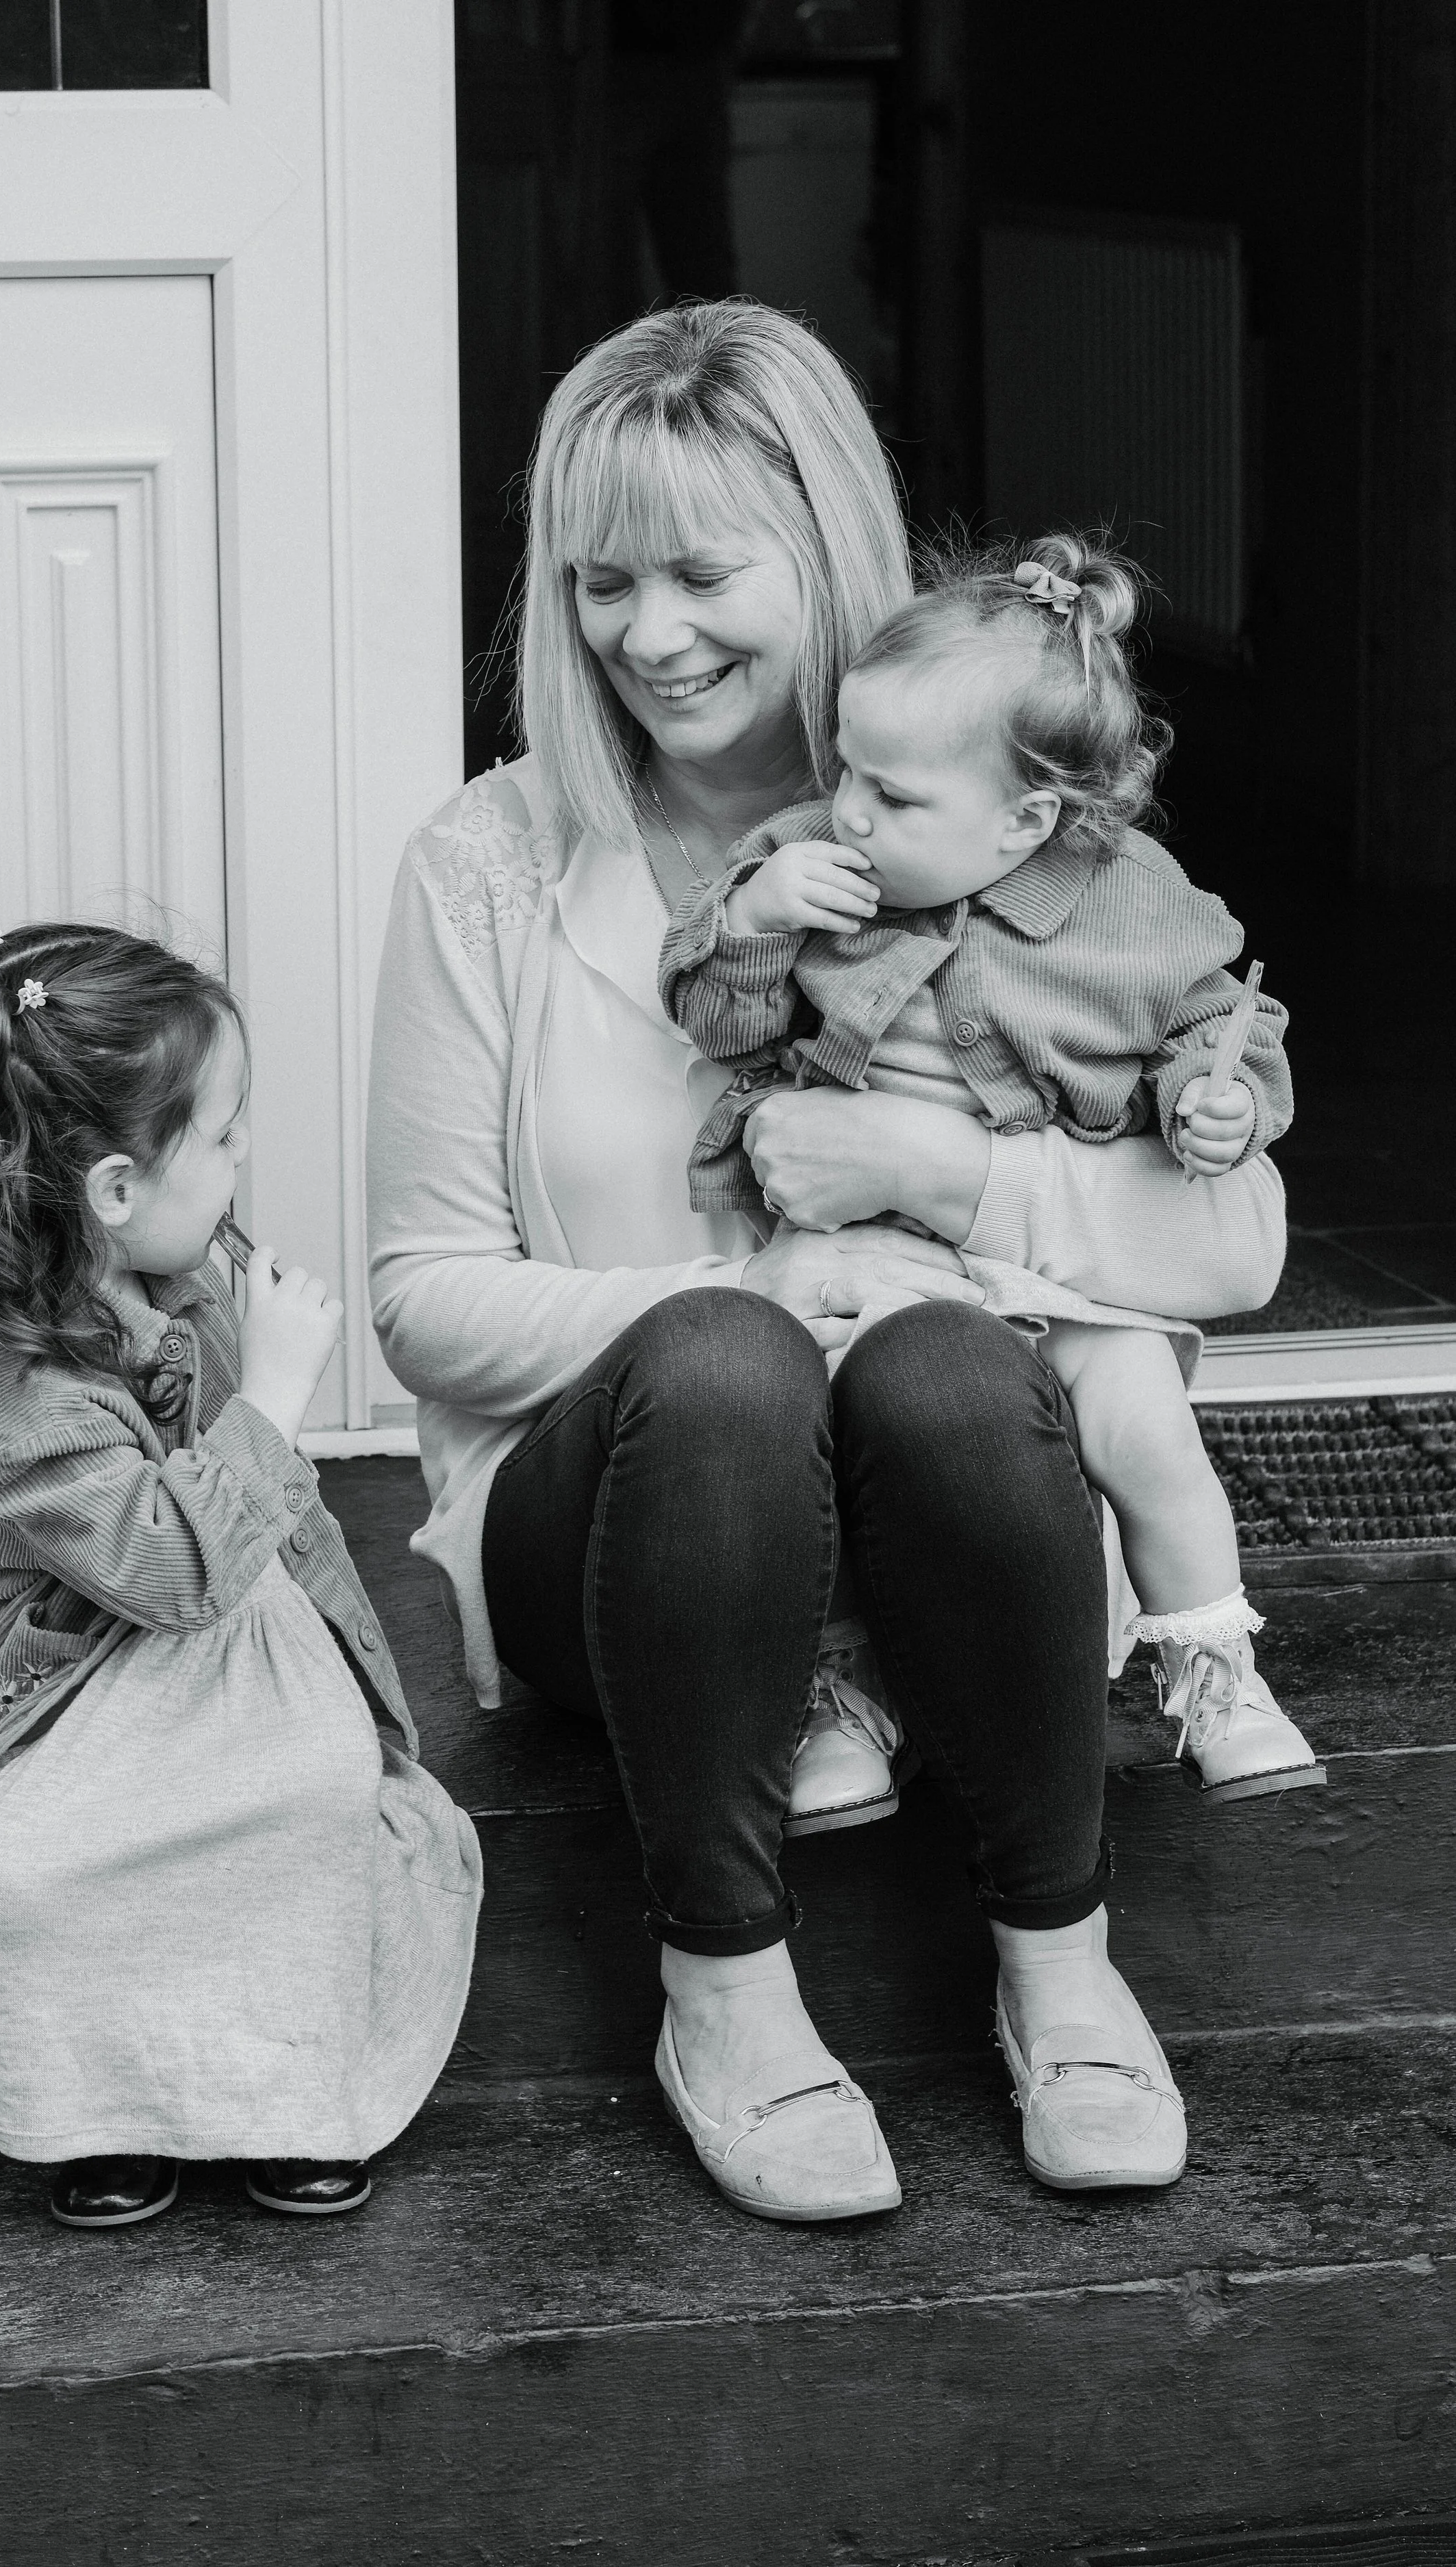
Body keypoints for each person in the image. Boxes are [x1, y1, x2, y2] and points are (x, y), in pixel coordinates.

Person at [368, 303, 1288, 2217]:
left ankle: (1059, 1952)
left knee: (951, 1368)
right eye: (599, 579)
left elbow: (1241, 1243)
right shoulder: (492, 860)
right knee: (724, 1362)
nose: (649, 631)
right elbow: (422, 1297)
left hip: (933, 1532)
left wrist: (943, 1172)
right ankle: (721, 1980)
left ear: (825, 551)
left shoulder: (1013, 844)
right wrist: (744, 1299)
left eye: (704, 571)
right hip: (609, 1537)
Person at [659, 531, 1324, 1806]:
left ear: (1027, 819)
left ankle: (1217, 1668)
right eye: (846, 768)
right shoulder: (814, 864)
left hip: (1061, 1270)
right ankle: (844, 1694)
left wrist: (1212, 1101)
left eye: (894, 797)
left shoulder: (1136, 906)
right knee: (841, 1452)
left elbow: (1220, 1026)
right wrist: (751, 915)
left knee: (1147, 1429)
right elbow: (716, 1015)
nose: (848, 810)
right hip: (886, 1261)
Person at [0, 922, 481, 2230]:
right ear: (114, 1190)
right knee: (25, 1867)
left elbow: (263, 1565)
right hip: (101, 1691)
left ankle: (293, 2099)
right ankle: (108, 2112)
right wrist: (275, 1394)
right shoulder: (13, 1391)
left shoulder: (196, 1287)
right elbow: (164, 1569)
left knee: (311, 1789)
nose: (242, 1162)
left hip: (249, 1662)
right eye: (223, 1137)